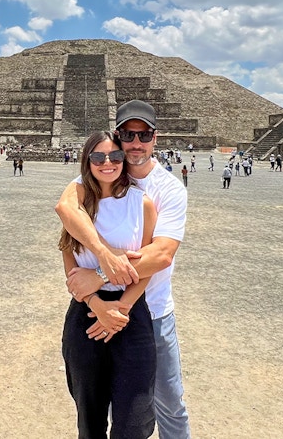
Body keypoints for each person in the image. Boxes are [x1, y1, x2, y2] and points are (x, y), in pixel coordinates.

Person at [55, 100, 191, 438]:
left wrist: (102, 280)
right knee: (101, 405)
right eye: (128, 135)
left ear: (155, 138)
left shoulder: (167, 189)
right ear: (118, 136)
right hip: (91, 311)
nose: (135, 143)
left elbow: (160, 256)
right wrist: (102, 259)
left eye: (143, 134)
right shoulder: (96, 175)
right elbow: (65, 212)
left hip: (151, 310)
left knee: (165, 403)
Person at [58, 130, 157, 438]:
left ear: (123, 160)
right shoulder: (78, 204)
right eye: (98, 157)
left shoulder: (142, 204)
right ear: (87, 161)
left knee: (135, 419)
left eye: (115, 156)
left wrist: (121, 309)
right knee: (89, 417)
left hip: (130, 311)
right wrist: (97, 305)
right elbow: (70, 261)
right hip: (87, 313)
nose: (107, 163)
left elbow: (147, 266)